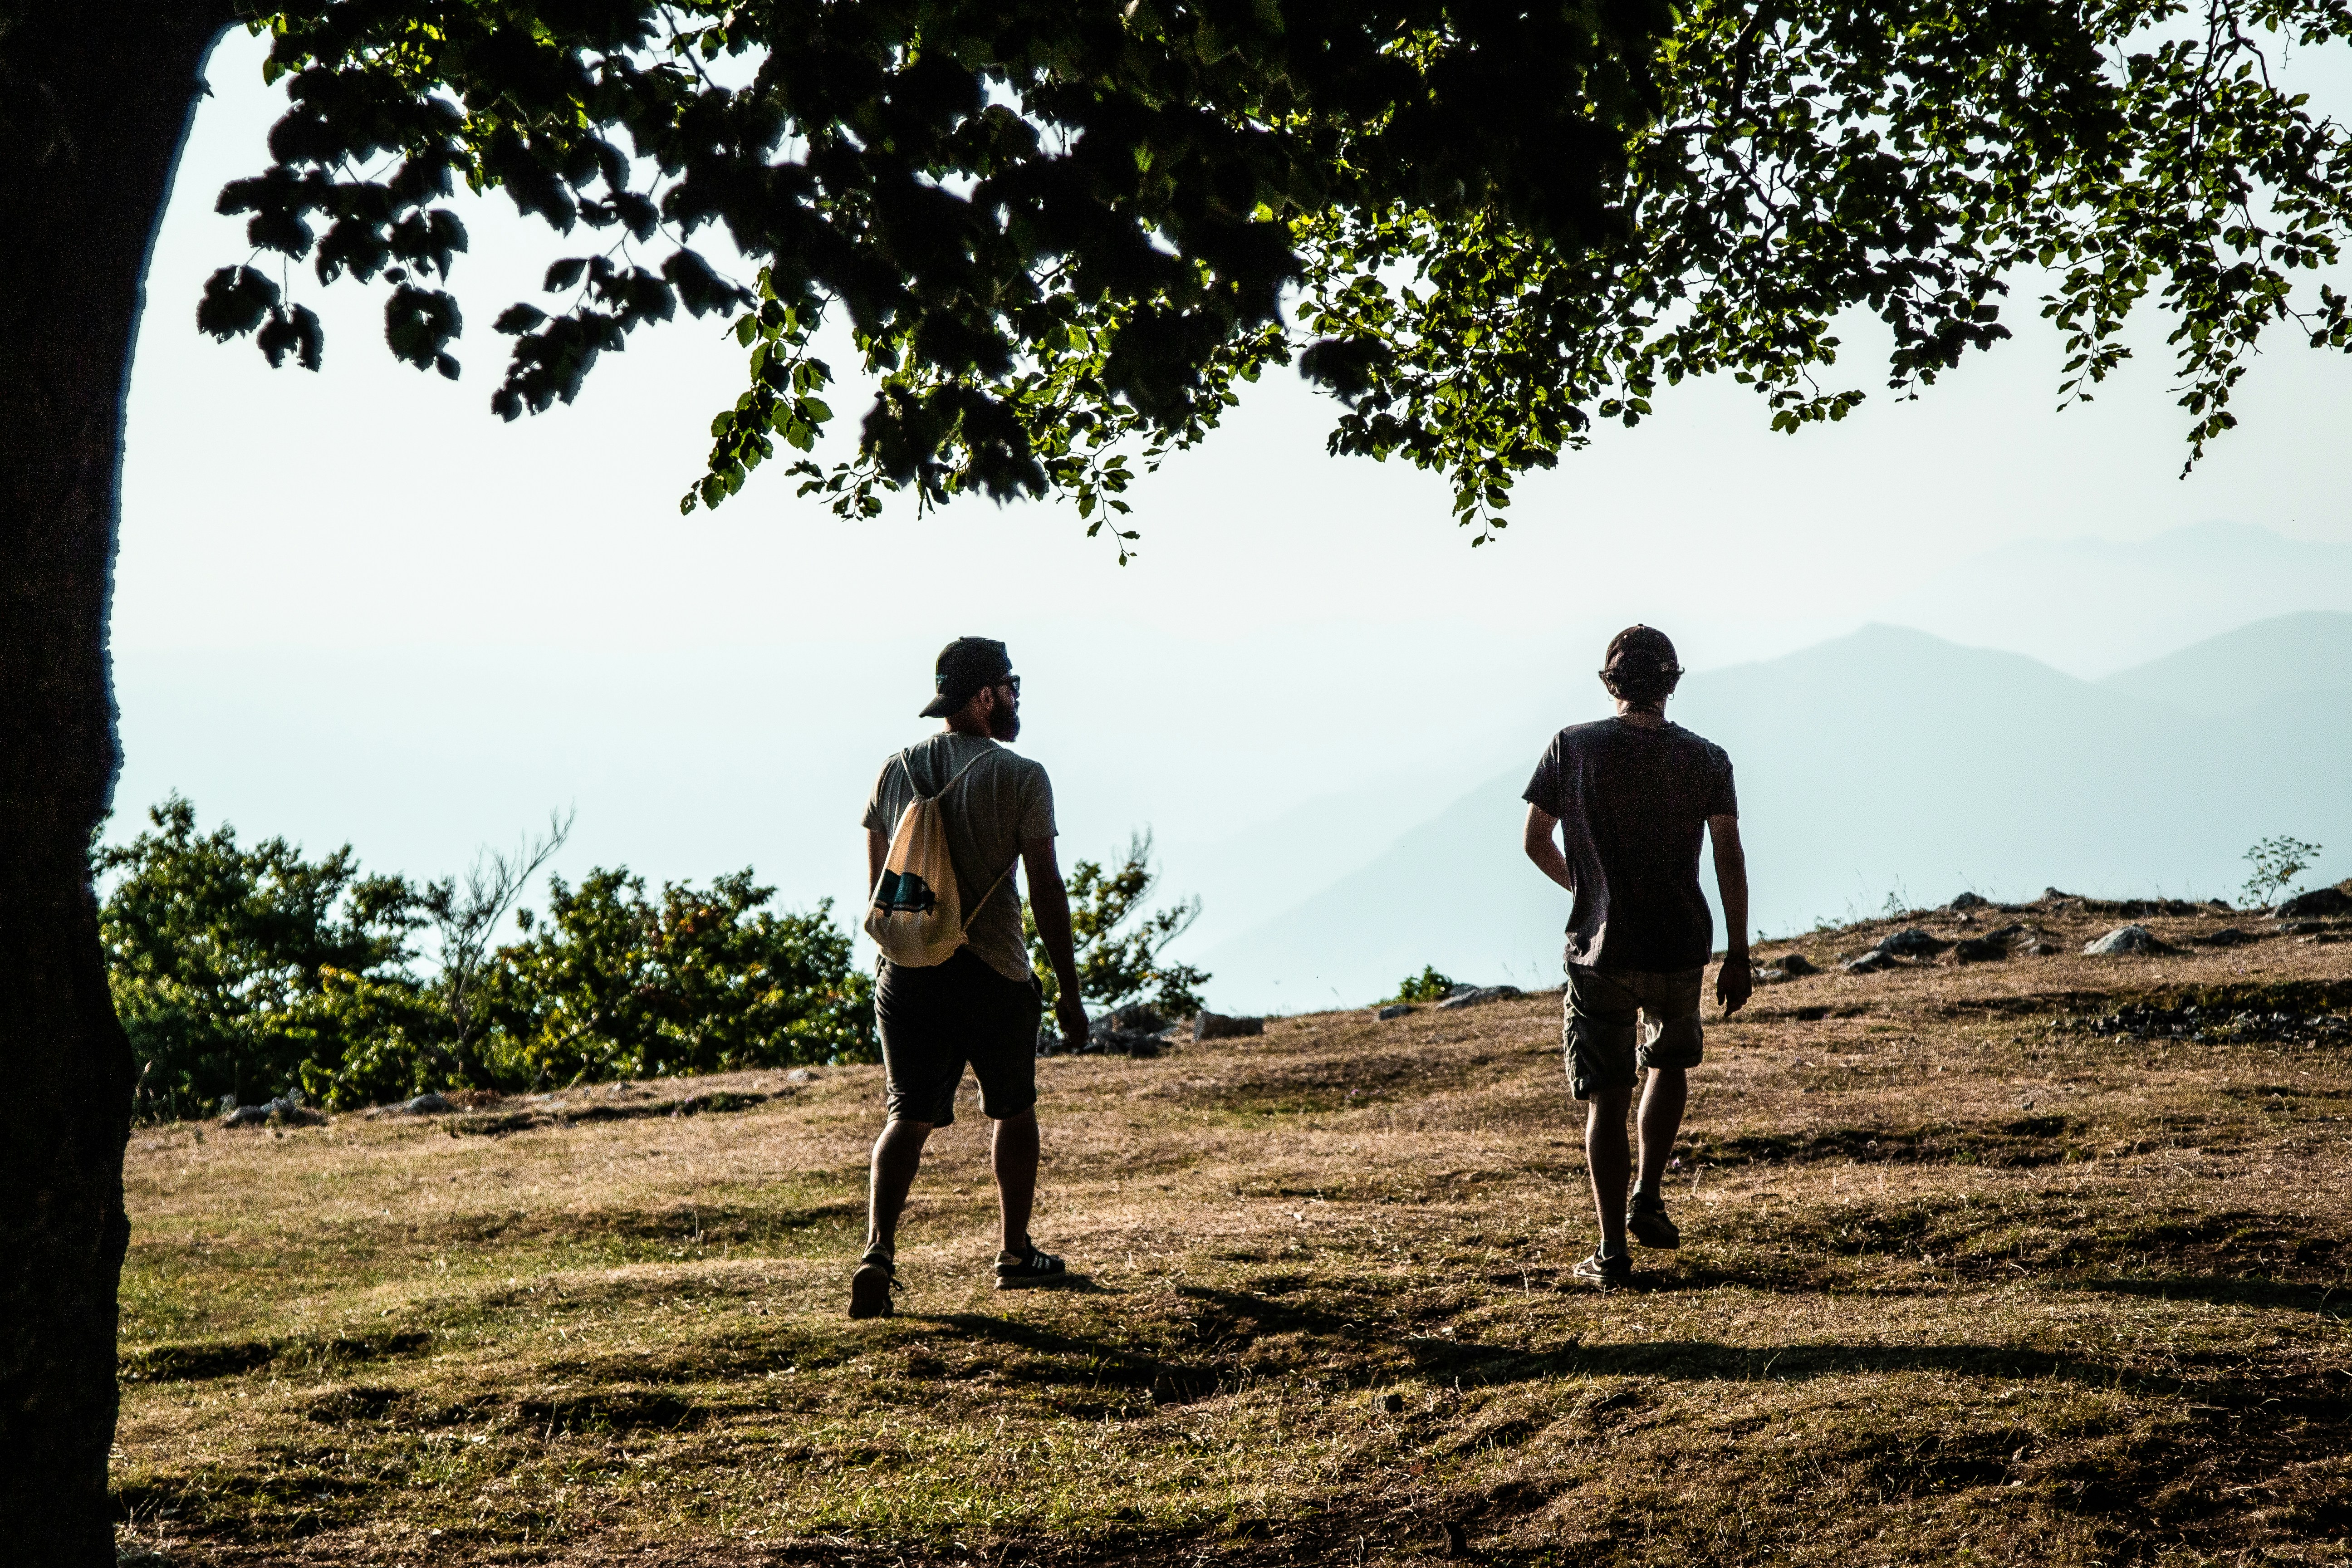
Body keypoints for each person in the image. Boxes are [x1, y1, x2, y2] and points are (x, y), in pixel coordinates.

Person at [849, 636, 1090, 1320]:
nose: (1015, 698)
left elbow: (879, 888)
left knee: (906, 1117)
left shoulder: (892, 771)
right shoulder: (1020, 776)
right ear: (985, 696)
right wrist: (1070, 993)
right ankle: (1015, 1252)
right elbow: (1046, 889)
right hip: (992, 970)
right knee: (1013, 1110)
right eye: (1010, 686)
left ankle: (878, 1252)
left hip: (908, 971)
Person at [1521, 625, 1751, 1284]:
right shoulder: (1707, 759)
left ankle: (1610, 1253)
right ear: (1673, 684)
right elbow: (1729, 853)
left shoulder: (1573, 747)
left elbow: (1536, 839)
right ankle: (1648, 1196)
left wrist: (1586, 887)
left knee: (1606, 1099)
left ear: (1608, 683)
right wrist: (1738, 953)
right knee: (1670, 1064)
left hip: (1603, 949)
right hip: (1682, 943)